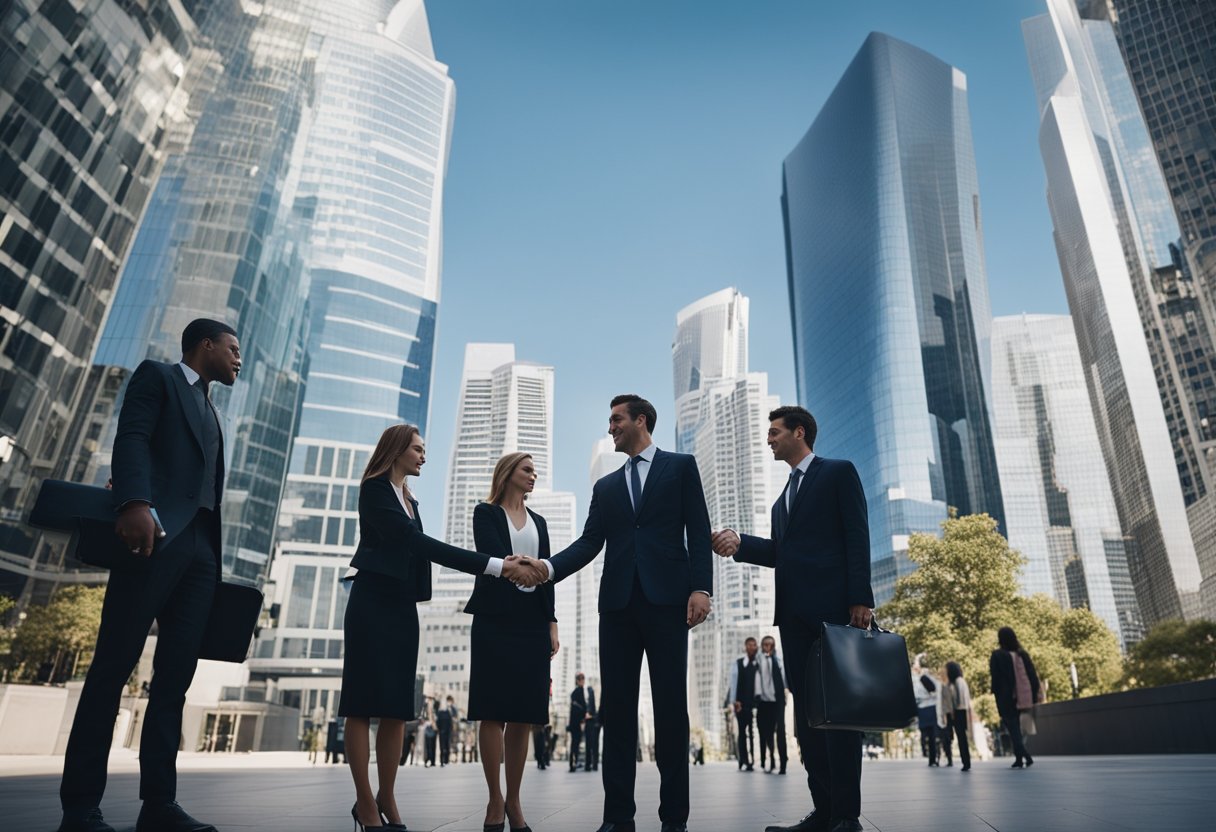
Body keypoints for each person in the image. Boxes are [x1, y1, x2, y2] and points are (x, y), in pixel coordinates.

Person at [58, 319, 242, 832]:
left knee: (175, 682)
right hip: (155, 538)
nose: (238, 359)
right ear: (205, 345)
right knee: (111, 669)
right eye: (232, 349)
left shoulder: (211, 410)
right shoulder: (158, 377)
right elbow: (133, 436)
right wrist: (134, 501)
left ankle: (158, 805)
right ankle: (80, 809)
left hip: (204, 549)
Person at [516, 394, 713, 832]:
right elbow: (589, 544)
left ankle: (674, 819)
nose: (610, 428)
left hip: (668, 604)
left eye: (616, 419)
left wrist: (701, 587)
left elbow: (698, 531)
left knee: (670, 711)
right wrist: (547, 568)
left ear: (641, 420)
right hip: (618, 608)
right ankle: (617, 818)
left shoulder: (680, 467)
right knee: (617, 712)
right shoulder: (605, 487)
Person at [339, 424, 542, 830]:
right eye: (416, 449)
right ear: (396, 450)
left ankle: (388, 797)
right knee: (361, 704)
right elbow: (417, 544)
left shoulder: (410, 501)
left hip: (401, 607)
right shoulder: (375, 489)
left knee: (397, 707)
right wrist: (496, 565)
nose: (422, 456)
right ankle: (365, 802)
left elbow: (416, 546)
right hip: (371, 602)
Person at [712, 405, 873, 832]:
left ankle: (846, 816)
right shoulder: (782, 501)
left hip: (836, 613)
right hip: (793, 622)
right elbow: (782, 553)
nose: (769, 439)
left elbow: (857, 535)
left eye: (774, 432)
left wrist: (861, 598)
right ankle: (822, 811)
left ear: (799, 432)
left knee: (838, 716)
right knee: (808, 720)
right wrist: (739, 543)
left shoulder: (838, 472)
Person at [466, 452, 560, 832]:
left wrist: (552, 621)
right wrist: (525, 565)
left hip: (533, 622)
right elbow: (491, 556)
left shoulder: (540, 521)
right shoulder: (485, 513)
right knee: (492, 711)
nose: (533, 476)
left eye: (535, 471)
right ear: (508, 474)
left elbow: (548, 570)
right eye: (527, 470)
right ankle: (494, 798)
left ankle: (515, 800)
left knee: (524, 713)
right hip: (494, 619)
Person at [990, 626, 1041, 769]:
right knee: (1017, 729)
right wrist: (1034, 694)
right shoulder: (1022, 654)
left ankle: (1025, 756)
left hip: (1006, 697)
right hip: (1023, 695)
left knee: (1012, 728)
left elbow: (995, 677)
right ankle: (1019, 758)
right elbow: (1032, 675)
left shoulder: (997, 655)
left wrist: (995, 693)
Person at [756, 635, 788, 775]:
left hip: (778, 701)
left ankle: (783, 763)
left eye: (770, 644)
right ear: (762, 646)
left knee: (780, 732)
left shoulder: (779, 660)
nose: (768, 646)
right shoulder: (758, 660)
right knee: (767, 732)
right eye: (765, 644)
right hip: (763, 702)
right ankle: (772, 759)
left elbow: (785, 679)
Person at [726, 638, 759, 771]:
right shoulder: (738, 663)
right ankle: (742, 760)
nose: (752, 647)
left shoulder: (758, 664)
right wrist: (734, 702)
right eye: (749, 645)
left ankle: (750, 760)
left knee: (751, 733)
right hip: (740, 704)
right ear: (745, 647)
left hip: (754, 704)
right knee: (742, 733)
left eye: (754, 645)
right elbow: (733, 684)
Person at [944, 662, 973, 772]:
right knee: (961, 738)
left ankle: (966, 762)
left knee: (962, 738)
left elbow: (958, 700)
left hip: (959, 712)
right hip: (961, 711)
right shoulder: (959, 681)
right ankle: (965, 761)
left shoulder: (958, 682)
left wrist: (953, 712)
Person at [912, 658, 939, 767]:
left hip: (925, 708)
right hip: (928, 708)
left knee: (927, 735)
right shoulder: (921, 678)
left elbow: (932, 689)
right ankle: (931, 757)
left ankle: (930, 756)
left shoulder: (923, 678)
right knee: (930, 735)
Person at [569, 674, 588, 772]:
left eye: (583, 679)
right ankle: (573, 764)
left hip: (574, 723)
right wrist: (582, 720)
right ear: (577, 681)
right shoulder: (578, 691)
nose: (582, 681)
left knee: (574, 744)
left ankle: (573, 764)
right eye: (581, 679)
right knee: (575, 744)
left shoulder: (574, 693)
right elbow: (580, 708)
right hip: (577, 724)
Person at [584, 681, 601, 772]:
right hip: (596, 722)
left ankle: (591, 765)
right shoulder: (593, 694)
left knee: (591, 745)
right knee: (594, 745)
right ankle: (594, 765)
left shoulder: (591, 694)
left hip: (592, 722)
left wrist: (591, 715)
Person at [437, 696, 457, 767]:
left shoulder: (452, 710)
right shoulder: (440, 712)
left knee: (447, 745)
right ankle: (442, 760)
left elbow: (454, 719)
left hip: (448, 731)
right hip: (442, 731)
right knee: (442, 746)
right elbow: (438, 722)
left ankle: (446, 760)